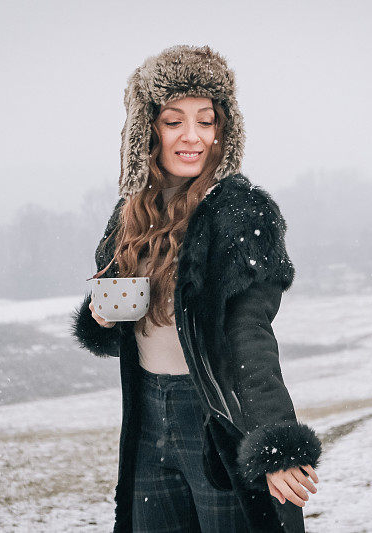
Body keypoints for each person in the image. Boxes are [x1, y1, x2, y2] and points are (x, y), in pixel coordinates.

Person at [71, 44, 322, 533]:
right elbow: (118, 316)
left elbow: (249, 335)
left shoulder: (242, 213)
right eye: (173, 121)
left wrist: (274, 441)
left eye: (206, 121)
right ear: (147, 129)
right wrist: (98, 319)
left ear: (224, 130)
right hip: (145, 415)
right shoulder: (129, 214)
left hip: (213, 421)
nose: (193, 137)